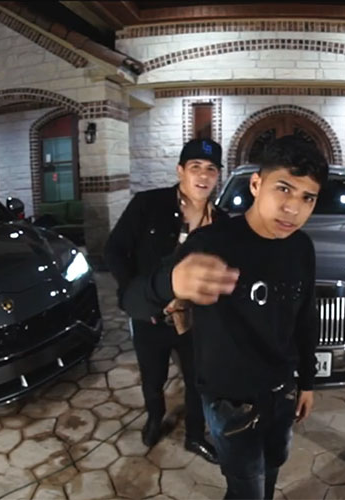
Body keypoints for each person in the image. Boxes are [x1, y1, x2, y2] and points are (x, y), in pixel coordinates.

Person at [151, 135, 328, 499]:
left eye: (307, 198)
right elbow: (146, 294)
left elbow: (305, 320)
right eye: (284, 189)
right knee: (245, 485)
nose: (293, 208)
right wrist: (170, 283)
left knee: (272, 469)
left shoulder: (302, 247)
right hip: (230, 401)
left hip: (282, 391)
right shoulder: (211, 243)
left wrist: (307, 383)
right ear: (256, 184)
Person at [104, 138, 224, 462]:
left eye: (211, 169)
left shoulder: (221, 223)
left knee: (198, 381)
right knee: (153, 377)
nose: (203, 175)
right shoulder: (148, 204)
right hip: (151, 317)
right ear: (180, 170)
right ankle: (155, 418)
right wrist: (134, 293)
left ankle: (195, 436)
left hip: (196, 321)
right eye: (195, 167)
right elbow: (114, 250)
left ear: (217, 176)